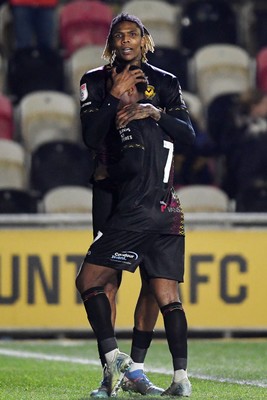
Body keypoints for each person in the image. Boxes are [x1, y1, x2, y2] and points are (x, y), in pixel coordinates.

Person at [79, 12, 195, 397]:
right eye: (118, 35)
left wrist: (155, 111)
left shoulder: (164, 83)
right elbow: (91, 138)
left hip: (148, 191)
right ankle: (111, 377)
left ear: (145, 41)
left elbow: (188, 136)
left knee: (152, 285)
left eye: (133, 34)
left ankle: (136, 369)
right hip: (111, 193)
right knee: (105, 282)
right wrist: (113, 99)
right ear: (111, 43)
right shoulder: (94, 81)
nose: (126, 40)